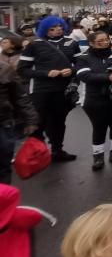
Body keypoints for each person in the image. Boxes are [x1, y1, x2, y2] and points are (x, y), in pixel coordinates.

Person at [18, 16, 79, 162]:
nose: (57, 29)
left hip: (62, 89)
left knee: (59, 120)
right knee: (39, 121)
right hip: (41, 89)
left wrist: (72, 71)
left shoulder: (71, 43)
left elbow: (80, 65)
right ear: (45, 30)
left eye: (59, 26)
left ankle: (57, 150)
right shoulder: (35, 45)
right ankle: (37, 153)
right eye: (52, 28)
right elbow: (22, 70)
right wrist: (46, 74)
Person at [75, 31, 112, 170]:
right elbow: (85, 75)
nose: (105, 42)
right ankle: (98, 156)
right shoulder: (84, 58)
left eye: (106, 39)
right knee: (99, 126)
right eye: (100, 40)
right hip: (94, 98)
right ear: (92, 43)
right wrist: (108, 77)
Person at [0, 56, 39, 185]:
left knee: (3, 167)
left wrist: (31, 120)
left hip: (3, 124)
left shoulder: (4, 69)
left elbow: (20, 97)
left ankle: (4, 201)